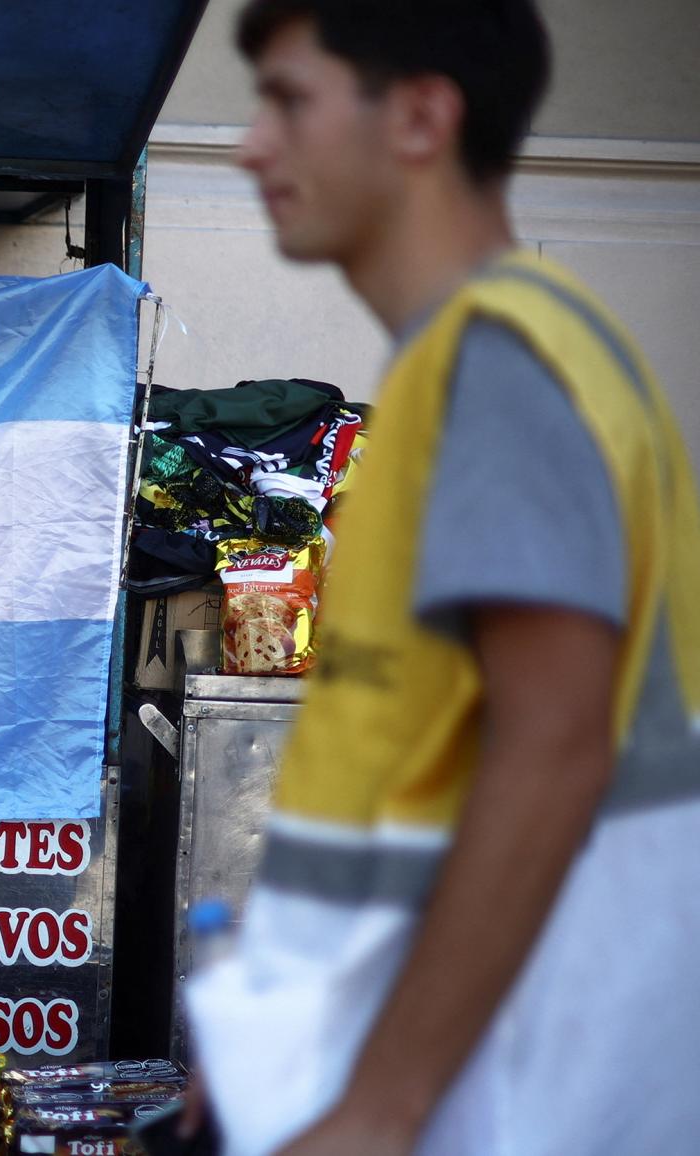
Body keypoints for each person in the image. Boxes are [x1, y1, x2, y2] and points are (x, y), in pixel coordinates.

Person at [182, 2, 700, 1154]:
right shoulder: (490, 353)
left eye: (287, 99)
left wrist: (379, 1104)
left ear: (419, 116)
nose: (248, 144)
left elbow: (553, 742)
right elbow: (411, 768)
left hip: (505, 1090)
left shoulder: (495, 364)